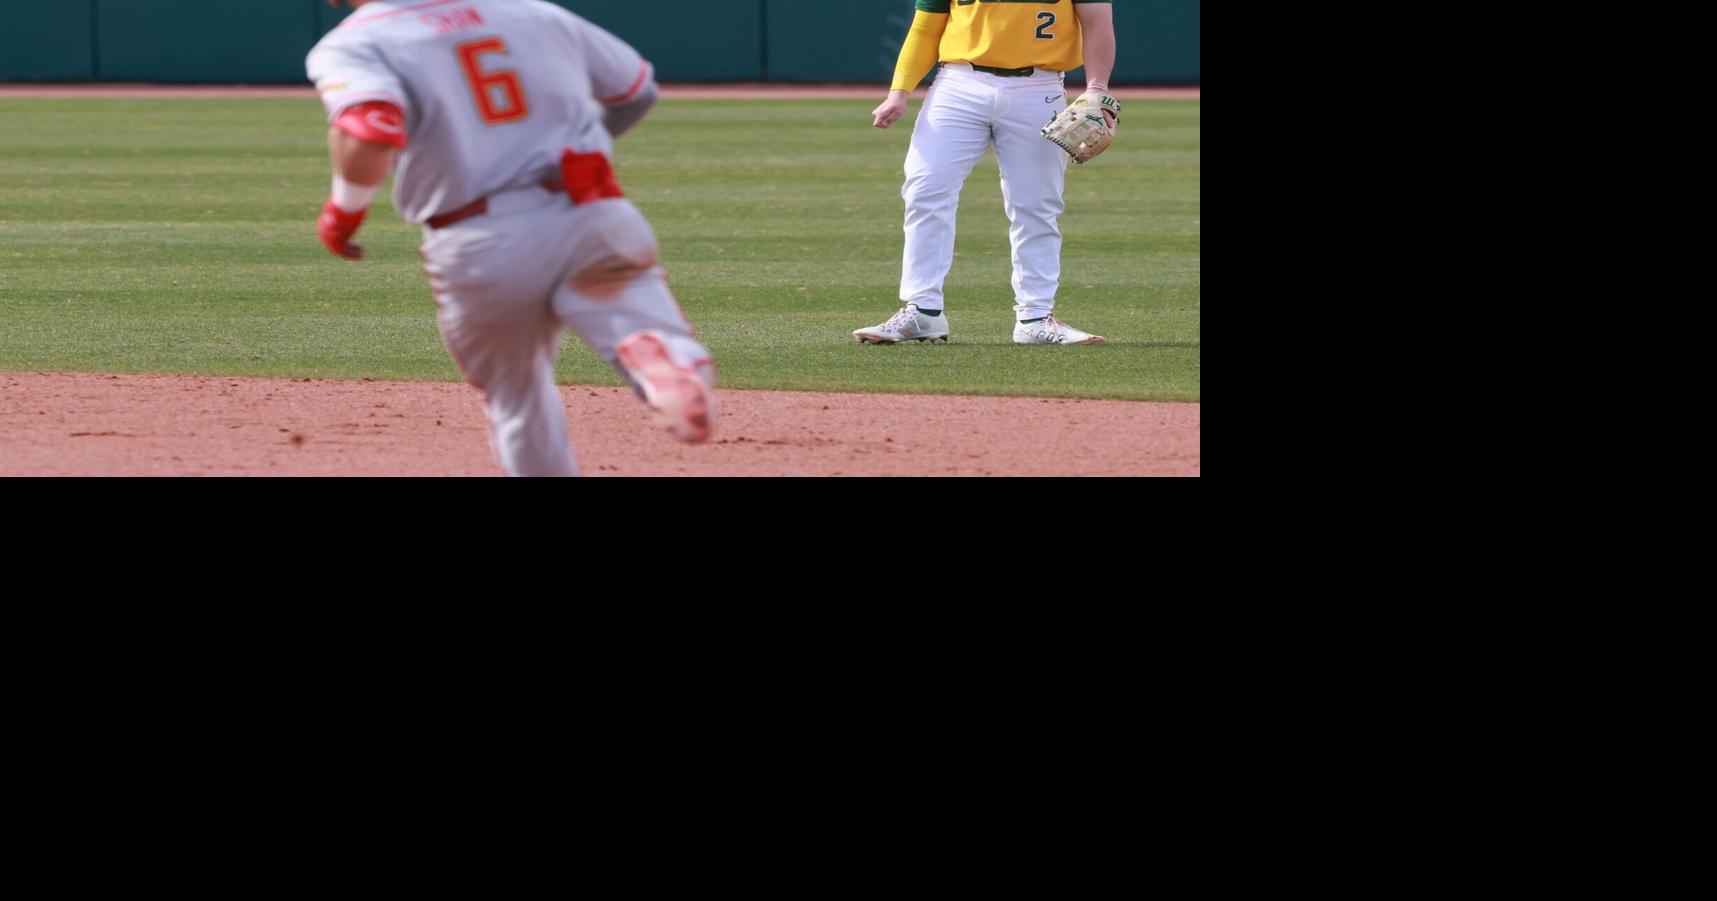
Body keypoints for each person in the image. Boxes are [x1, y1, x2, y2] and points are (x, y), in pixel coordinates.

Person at [308, 0, 716, 476]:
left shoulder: (356, 42)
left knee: (518, 399)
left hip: (480, 239)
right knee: (657, 334)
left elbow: (368, 129)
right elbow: (636, 90)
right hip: (591, 210)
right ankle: (660, 352)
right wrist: (580, 144)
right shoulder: (533, 11)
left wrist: (342, 212)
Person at [856, 1, 1118, 347]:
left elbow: (1098, 24)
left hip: (1038, 87)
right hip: (959, 84)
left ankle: (1035, 317)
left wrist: (1096, 88)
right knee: (926, 188)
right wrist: (899, 91)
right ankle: (923, 311)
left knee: (1036, 203)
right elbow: (925, 28)